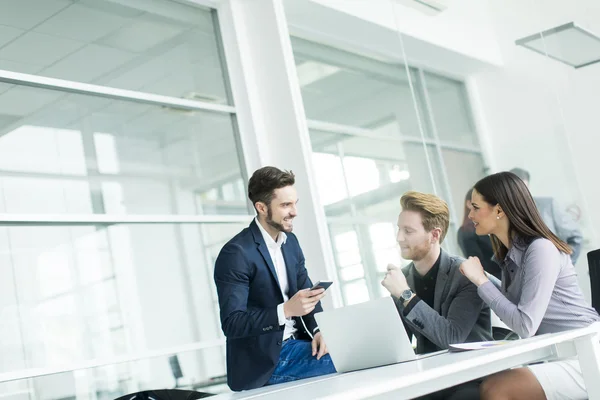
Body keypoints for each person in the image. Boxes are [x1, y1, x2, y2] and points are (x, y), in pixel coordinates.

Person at [460, 171, 600, 400]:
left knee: (496, 388)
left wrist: (481, 281)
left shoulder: (541, 249)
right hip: (559, 354)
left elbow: (525, 325)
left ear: (499, 210)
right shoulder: (509, 257)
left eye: (475, 207)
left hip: (587, 356)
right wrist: (482, 279)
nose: (470, 214)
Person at [214, 166, 336, 391]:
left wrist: (320, 331)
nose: (295, 211)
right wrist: (286, 310)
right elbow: (232, 323)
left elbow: (307, 296)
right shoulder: (236, 253)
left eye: (295, 203)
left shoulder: (291, 243)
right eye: (286, 205)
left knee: (351, 348)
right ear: (261, 207)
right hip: (265, 361)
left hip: (298, 345)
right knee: (347, 359)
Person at [381, 191, 492, 399]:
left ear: (434, 235)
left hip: (471, 375)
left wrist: (405, 295)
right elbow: (399, 343)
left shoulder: (465, 274)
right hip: (432, 378)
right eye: (399, 229)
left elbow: (451, 337)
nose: (399, 238)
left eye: (408, 231)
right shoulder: (403, 277)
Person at [510, 167, 583, 263]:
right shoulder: (503, 216)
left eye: (524, 188)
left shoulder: (548, 206)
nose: (520, 193)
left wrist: (566, 265)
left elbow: (576, 237)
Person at [457, 188, 502, 280]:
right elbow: (478, 264)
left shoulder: (491, 225)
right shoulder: (466, 231)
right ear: (469, 204)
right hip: (493, 280)